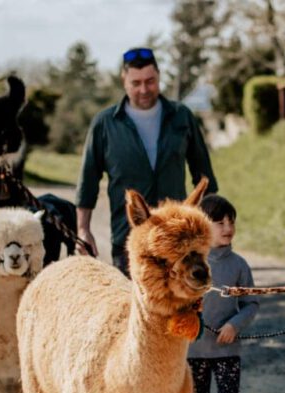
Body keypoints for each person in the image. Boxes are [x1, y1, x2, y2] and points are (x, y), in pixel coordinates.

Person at [75, 47, 217, 274]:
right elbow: (88, 183)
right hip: (128, 241)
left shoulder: (182, 117)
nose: (144, 89)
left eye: (150, 81)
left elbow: (204, 177)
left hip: (179, 243)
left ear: (159, 77)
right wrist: (83, 230)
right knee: (134, 308)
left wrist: (213, 229)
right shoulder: (105, 124)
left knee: (179, 308)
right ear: (124, 81)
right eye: (136, 83)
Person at [186, 194, 259, 393]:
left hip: (228, 350)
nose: (228, 227)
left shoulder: (239, 265)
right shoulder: (192, 262)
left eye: (231, 222)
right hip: (195, 350)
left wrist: (234, 324)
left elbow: (251, 304)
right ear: (204, 226)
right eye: (220, 222)